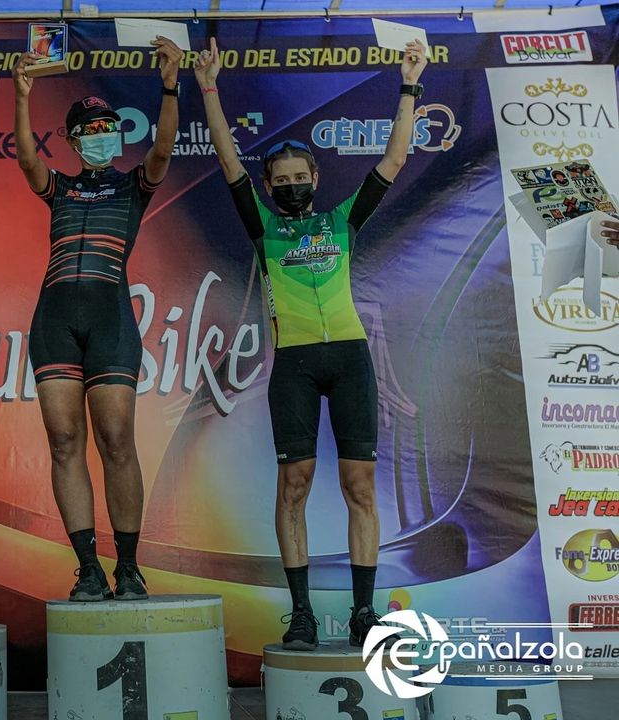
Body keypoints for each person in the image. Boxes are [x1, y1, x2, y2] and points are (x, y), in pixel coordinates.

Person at [194, 37, 428, 649]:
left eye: (301, 177)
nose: (293, 186)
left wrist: (409, 84)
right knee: (293, 484)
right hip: (295, 364)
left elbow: (395, 158)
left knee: (359, 487)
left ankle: (363, 613)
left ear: (316, 179)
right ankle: (300, 614)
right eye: (283, 181)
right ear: (269, 187)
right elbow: (227, 160)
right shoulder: (265, 227)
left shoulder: (341, 220)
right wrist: (209, 87)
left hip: (349, 357)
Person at [13, 37, 183, 602]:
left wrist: (169, 84)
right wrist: (21, 95)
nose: (101, 134)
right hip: (54, 320)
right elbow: (27, 160)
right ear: (73, 140)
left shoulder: (133, 184)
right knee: (64, 441)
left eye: (108, 126)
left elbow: (164, 147)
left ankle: (128, 567)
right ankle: (88, 569)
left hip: (110, 319)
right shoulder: (59, 187)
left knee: (116, 441)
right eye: (89, 129)